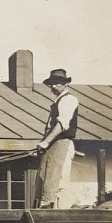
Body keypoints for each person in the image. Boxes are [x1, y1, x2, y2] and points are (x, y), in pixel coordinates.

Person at [35, 69, 78, 209]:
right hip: (53, 146)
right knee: (47, 181)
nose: (53, 87)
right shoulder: (57, 102)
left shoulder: (69, 99)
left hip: (62, 145)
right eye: (51, 84)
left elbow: (62, 124)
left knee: (58, 183)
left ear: (66, 84)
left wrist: (46, 142)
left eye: (57, 83)